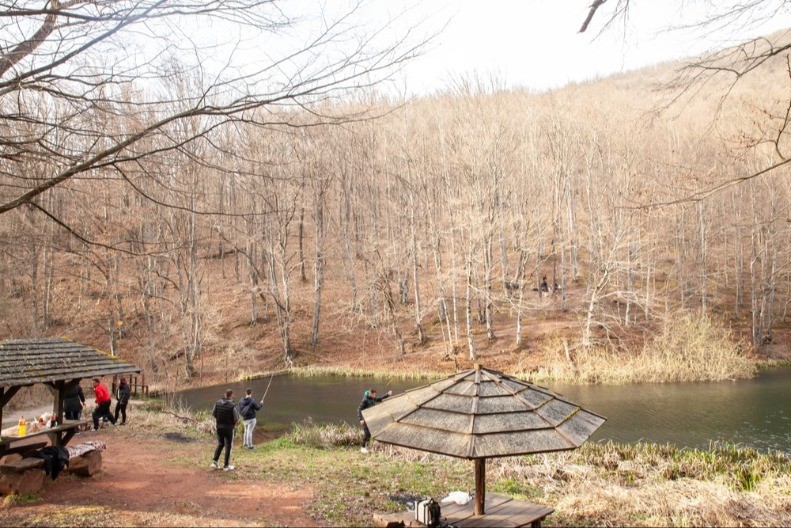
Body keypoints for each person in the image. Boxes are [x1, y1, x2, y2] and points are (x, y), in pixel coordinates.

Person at [211, 389, 240, 471]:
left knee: (220, 444)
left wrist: (220, 419)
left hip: (219, 428)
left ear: (225, 394)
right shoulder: (233, 405)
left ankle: (214, 462)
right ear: (231, 395)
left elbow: (213, 413)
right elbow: (236, 419)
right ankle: (226, 466)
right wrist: (232, 423)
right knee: (228, 446)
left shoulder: (217, 403)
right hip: (229, 429)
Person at [357, 388, 391, 453]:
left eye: (375, 394)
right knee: (367, 433)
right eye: (374, 394)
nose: (375, 396)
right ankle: (362, 448)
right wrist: (361, 419)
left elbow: (380, 399)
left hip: (370, 418)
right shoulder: (365, 400)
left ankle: (366, 447)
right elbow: (359, 410)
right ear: (371, 394)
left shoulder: (372, 398)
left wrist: (387, 394)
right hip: (364, 419)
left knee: (369, 434)